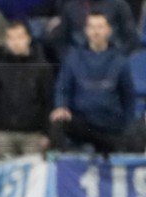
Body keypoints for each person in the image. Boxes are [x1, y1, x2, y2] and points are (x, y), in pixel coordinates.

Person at [50, 11, 140, 154]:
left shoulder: (120, 61)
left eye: (100, 27)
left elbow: (128, 98)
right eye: (92, 27)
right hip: (83, 125)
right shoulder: (73, 59)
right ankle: (58, 166)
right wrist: (61, 106)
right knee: (58, 121)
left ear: (108, 30)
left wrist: (129, 127)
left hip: (111, 128)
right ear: (86, 30)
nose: (96, 31)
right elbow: (63, 88)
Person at [0, 21, 53, 157]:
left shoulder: (43, 68)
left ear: (28, 38)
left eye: (19, 37)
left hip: (33, 135)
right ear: (6, 41)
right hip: (2, 134)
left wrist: (47, 133)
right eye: (11, 38)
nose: (15, 42)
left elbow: (48, 102)